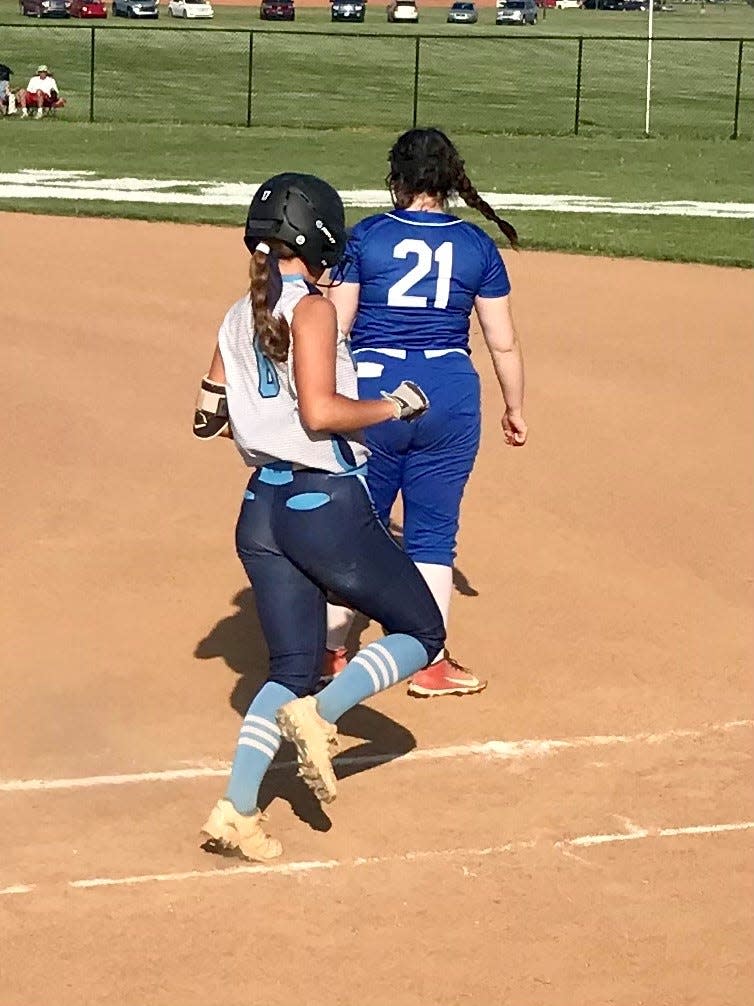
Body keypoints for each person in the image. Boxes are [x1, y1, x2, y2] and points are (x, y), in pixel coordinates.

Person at [195, 173, 445, 861]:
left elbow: (207, 416)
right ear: (321, 236)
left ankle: (235, 812)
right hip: (321, 504)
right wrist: (395, 407)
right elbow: (321, 413)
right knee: (423, 630)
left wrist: (256, 425)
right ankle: (321, 715)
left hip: (261, 510)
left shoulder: (236, 310)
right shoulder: (312, 309)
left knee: (292, 666)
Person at [323, 128, 527, 698]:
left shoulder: (367, 237)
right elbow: (501, 342)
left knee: (356, 528)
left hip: (375, 387)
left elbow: (337, 329)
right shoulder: (477, 245)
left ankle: (333, 653)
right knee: (433, 534)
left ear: (398, 178)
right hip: (450, 390)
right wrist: (515, 407)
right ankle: (429, 662)